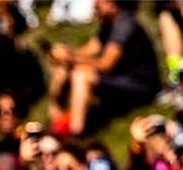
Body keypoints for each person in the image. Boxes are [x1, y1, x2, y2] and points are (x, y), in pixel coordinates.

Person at [47, 0, 161, 136]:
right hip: (120, 79)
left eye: (100, 1)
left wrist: (71, 59)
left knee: (81, 75)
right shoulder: (109, 24)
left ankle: (75, 132)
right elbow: (89, 50)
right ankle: (58, 122)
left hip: (139, 84)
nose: (95, 4)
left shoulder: (124, 24)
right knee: (64, 68)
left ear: (113, 3)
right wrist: (66, 54)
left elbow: (106, 64)